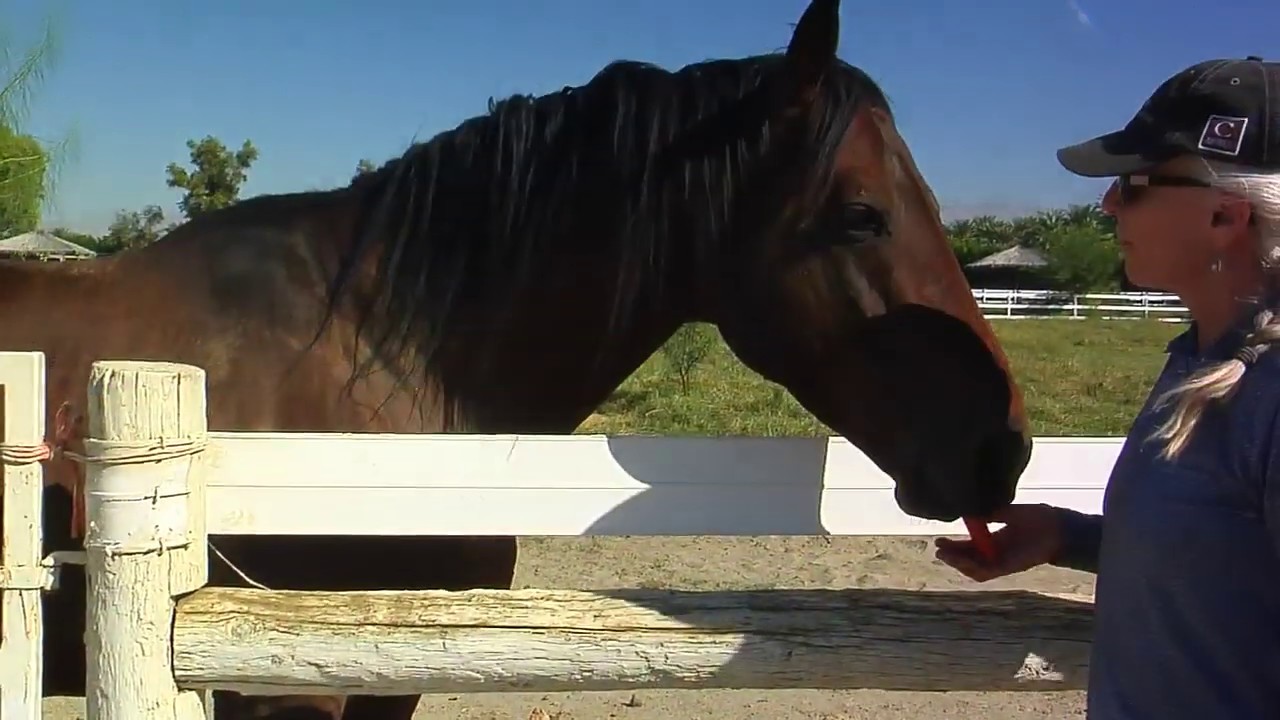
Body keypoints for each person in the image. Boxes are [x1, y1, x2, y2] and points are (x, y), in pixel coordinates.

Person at [935, 56, 1280, 719]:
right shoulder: (1200, 359)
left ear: (1225, 217)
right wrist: (1070, 539)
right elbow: (1226, 562)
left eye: (1135, 182)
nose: (1109, 202)